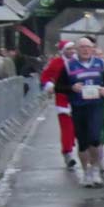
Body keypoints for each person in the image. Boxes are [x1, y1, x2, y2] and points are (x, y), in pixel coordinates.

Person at [55, 38, 104, 187]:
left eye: (88, 47)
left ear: (92, 49)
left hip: (95, 106)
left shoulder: (101, 64)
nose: (86, 50)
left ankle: (95, 169)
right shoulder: (68, 66)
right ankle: (86, 171)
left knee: (95, 138)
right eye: (82, 47)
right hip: (78, 107)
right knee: (83, 143)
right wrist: (71, 88)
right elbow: (58, 86)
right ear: (77, 50)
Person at [39, 41, 78, 169]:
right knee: (66, 128)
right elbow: (44, 77)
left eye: (73, 49)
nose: (72, 51)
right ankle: (67, 153)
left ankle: (84, 152)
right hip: (62, 100)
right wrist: (49, 85)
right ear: (63, 51)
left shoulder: (78, 62)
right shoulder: (56, 62)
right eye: (69, 49)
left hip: (79, 99)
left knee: (78, 128)